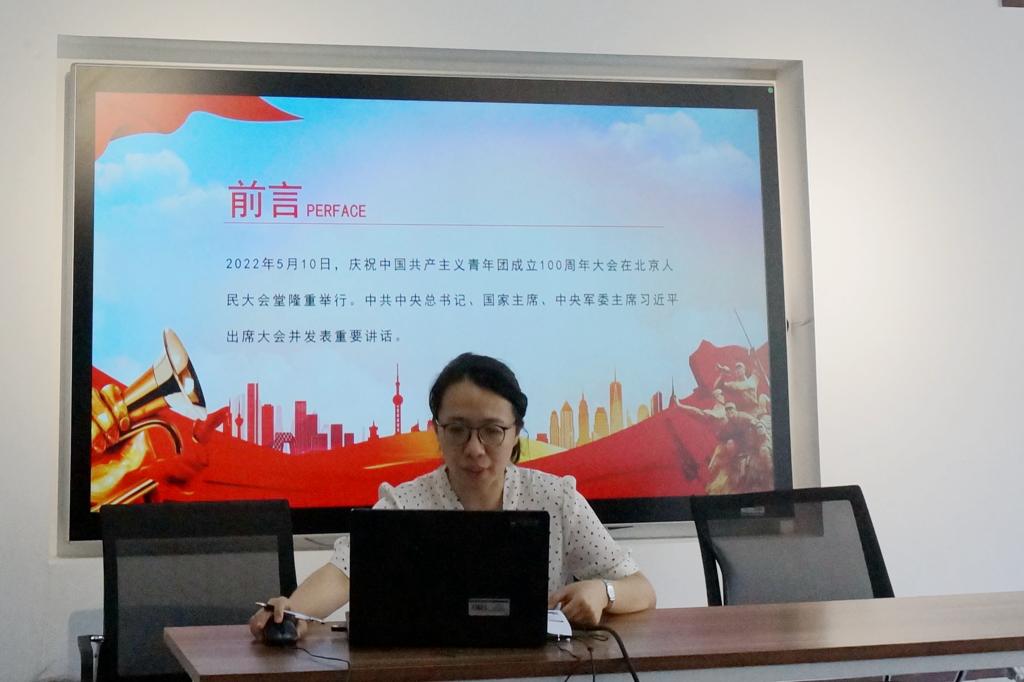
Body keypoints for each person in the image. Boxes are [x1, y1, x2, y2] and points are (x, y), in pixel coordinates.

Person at [250, 352, 656, 641]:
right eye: (458, 429)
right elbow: (344, 572)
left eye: (492, 431)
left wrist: (603, 593)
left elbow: (640, 588)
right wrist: (293, 613)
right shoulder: (404, 504)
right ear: (437, 431)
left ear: (516, 432)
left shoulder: (555, 498)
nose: (475, 449)